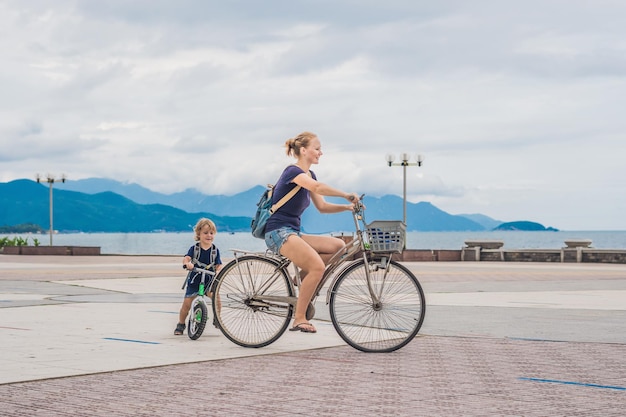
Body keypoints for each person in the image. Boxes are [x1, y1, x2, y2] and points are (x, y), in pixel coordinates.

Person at [264, 131, 360, 333]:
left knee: (338, 246)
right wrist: (345, 195)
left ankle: (297, 281)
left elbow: (322, 206)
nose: (320, 153)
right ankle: (299, 318)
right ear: (303, 150)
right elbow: (316, 187)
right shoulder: (293, 172)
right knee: (317, 267)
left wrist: (347, 207)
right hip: (278, 232)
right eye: (317, 149)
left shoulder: (310, 174)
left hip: (293, 232)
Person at [175, 218, 223, 335]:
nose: (209, 236)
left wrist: (219, 270)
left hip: (209, 281)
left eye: (211, 233)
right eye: (205, 233)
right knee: (186, 305)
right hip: (195, 280)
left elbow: (219, 264)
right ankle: (181, 324)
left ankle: (217, 319)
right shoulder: (195, 249)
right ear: (199, 234)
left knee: (216, 299)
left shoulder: (215, 250)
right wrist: (187, 264)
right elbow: (186, 258)